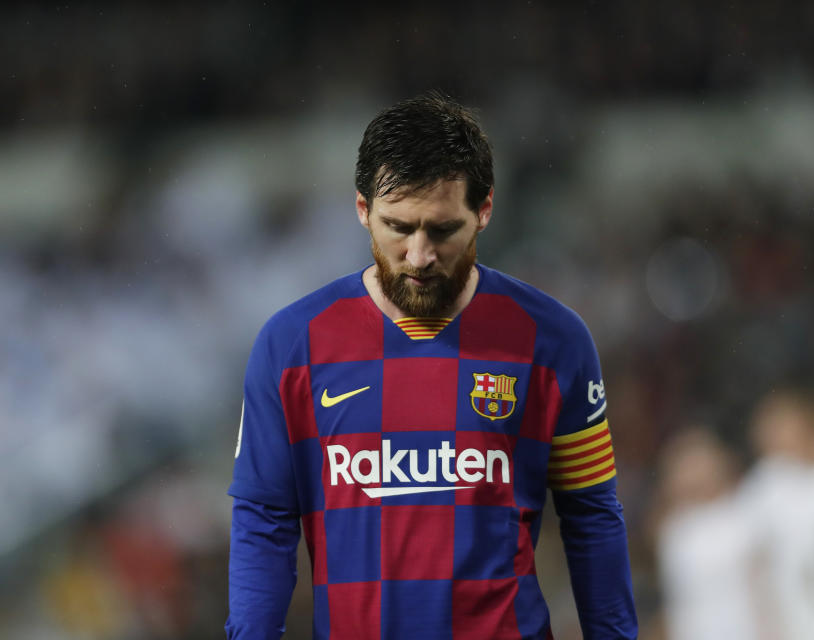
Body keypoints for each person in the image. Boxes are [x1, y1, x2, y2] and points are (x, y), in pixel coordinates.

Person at [226, 91, 637, 639]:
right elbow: (264, 521)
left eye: (442, 230)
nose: (419, 255)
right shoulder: (292, 346)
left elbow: (591, 517)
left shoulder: (552, 340)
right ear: (362, 211)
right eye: (398, 227)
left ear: (483, 211)